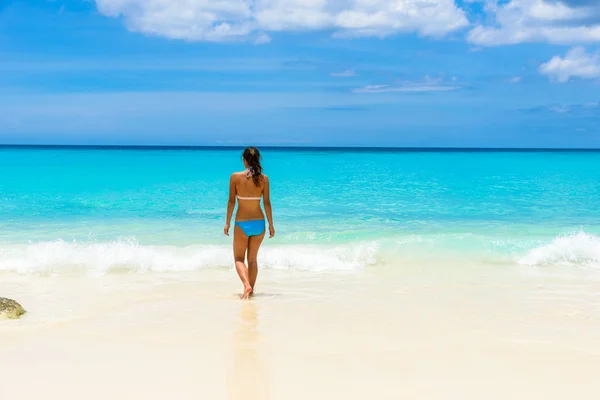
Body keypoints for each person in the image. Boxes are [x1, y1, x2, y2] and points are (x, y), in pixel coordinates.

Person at [224, 147, 275, 299]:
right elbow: (267, 203)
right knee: (252, 260)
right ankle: (251, 292)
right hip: (259, 223)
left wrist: (227, 223)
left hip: (242, 223)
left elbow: (231, 202)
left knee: (239, 259)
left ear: (244, 159)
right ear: (258, 160)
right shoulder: (264, 179)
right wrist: (271, 225)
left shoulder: (235, 177)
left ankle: (246, 285)